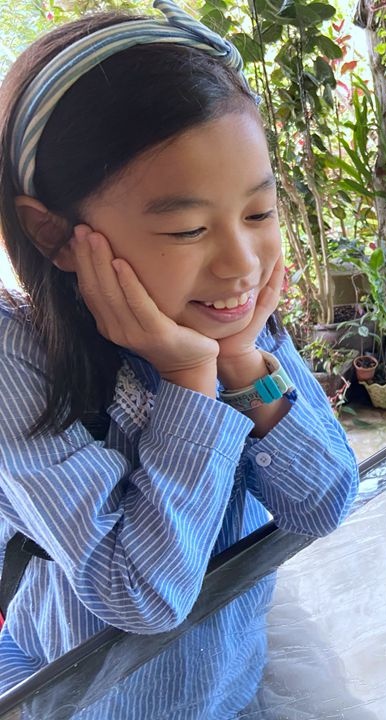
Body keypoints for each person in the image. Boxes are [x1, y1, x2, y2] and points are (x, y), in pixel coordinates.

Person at [0, 0, 359, 713]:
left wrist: (239, 360)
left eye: (259, 213)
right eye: (190, 228)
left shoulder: (235, 319)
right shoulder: (20, 361)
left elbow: (321, 503)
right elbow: (141, 592)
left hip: (234, 684)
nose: (242, 263)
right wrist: (188, 381)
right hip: (86, 699)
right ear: (52, 234)